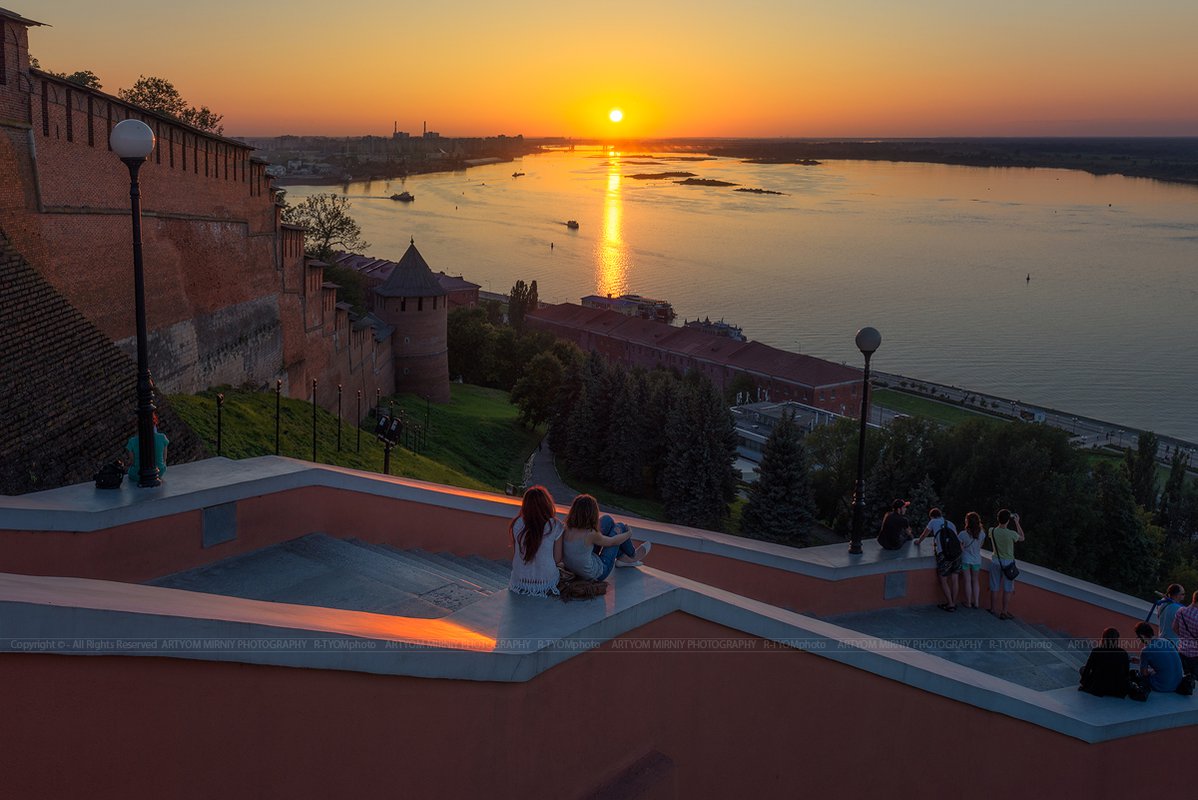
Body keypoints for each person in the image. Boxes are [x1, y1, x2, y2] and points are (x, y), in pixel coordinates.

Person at [562, 494, 650, 582]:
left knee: (607, 519)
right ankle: (632, 555)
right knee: (620, 526)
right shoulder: (590, 534)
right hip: (598, 573)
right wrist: (629, 533)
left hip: (575, 568)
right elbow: (613, 542)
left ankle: (623, 557)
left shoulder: (566, 528)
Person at [507, 485, 565, 596]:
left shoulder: (517, 523)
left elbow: (516, 553)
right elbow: (557, 559)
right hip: (545, 583)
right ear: (547, 504)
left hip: (519, 582)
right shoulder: (554, 525)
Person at [916, 507, 960, 611]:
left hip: (943, 554)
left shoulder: (933, 522)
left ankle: (950, 604)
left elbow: (924, 534)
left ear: (931, 516)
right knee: (955, 579)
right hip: (956, 554)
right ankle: (953, 602)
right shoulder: (950, 523)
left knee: (943, 580)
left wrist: (918, 542)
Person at [987, 508, 1025, 621]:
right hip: (1008, 563)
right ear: (1008, 520)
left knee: (994, 586)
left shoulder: (991, 531)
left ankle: (993, 609)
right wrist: (1017, 522)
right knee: (1007, 588)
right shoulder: (1011, 534)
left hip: (995, 561)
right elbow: (1022, 537)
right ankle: (1004, 611)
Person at [1078, 627, 1130, 698]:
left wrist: (1084, 684)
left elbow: (1088, 668)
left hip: (1099, 686)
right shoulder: (1123, 653)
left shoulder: (1096, 651)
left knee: (1082, 669)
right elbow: (1126, 672)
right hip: (1116, 688)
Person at [1134, 622, 1183, 693]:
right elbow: (1163, 662)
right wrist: (1140, 661)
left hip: (1164, 686)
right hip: (1178, 682)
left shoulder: (1146, 650)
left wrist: (1142, 663)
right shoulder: (1166, 641)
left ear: (1142, 636)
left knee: (1141, 676)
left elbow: (1144, 673)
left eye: (1138, 637)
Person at [124, 412, 169, 478]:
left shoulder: (132, 441)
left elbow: (133, 462)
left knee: (132, 469)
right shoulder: (162, 438)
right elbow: (164, 458)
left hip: (138, 475)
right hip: (159, 472)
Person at [958, 512, 987, 609]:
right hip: (977, 560)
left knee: (967, 581)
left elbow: (960, 547)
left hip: (966, 559)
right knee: (975, 581)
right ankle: (977, 602)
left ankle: (968, 603)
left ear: (967, 521)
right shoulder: (982, 534)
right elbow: (980, 546)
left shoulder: (962, 534)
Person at [1173, 589, 1198, 676]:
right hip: (1195, 657)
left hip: (1181, 652)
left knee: (1182, 678)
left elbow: (1174, 628)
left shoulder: (1181, 611)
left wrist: (1184, 638)